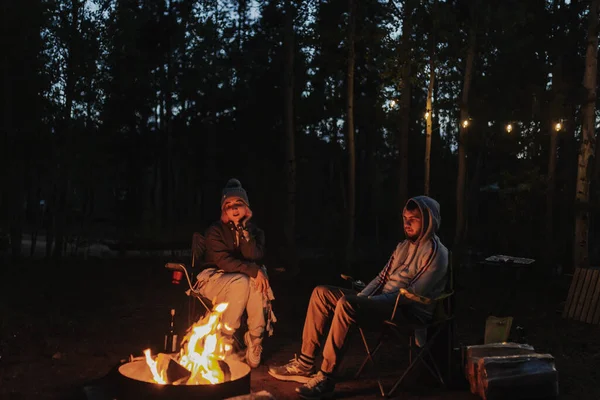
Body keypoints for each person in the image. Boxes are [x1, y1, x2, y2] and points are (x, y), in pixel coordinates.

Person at [268, 196, 448, 399]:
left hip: (407, 311)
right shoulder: (403, 247)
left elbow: (410, 295)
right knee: (321, 293)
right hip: (382, 302)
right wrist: (363, 297)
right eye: (405, 218)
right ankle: (305, 363)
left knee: (346, 304)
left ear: (429, 220)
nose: (406, 223)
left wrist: (367, 302)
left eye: (413, 218)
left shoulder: (436, 252)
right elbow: (382, 278)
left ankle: (326, 377)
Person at [197, 178, 274, 368]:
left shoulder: (255, 231)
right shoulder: (215, 230)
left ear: (246, 207)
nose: (234, 208)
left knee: (254, 280)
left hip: (243, 281)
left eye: (238, 203)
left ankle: (255, 339)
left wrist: (244, 228)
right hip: (213, 280)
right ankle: (225, 338)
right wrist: (253, 270)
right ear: (223, 209)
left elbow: (253, 255)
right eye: (228, 204)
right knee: (245, 279)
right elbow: (223, 261)